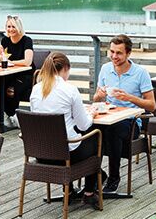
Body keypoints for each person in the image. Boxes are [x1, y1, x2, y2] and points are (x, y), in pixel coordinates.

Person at [30, 52, 103, 208]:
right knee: (95, 137)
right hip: (66, 155)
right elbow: (84, 125)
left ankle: (68, 192)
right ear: (65, 68)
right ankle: (89, 192)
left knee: (66, 134)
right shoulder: (69, 90)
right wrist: (91, 114)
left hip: (41, 154)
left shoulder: (35, 90)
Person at [93, 34, 156, 193]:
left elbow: (152, 105)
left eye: (119, 53)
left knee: (113, 130)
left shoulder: (140, 73)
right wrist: (99, 96)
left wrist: (129, 97)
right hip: (108, 117)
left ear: (128, 53)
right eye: (112, 52)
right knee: (89, 129)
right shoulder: (105, 69)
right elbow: (96, 98)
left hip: (132, 123)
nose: (114, 56)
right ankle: (96, 175)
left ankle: (114, 178)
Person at [0, 15, 34, 128]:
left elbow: (28, 61)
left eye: (13, 26)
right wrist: (0, 54)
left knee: (11, 89)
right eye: (8, 26)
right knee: (0, 86)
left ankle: (12, 115)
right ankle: (7, 117)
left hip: (25, 75)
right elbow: (2, 60)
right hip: (10, 74)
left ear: (19, 27)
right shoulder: (5, 40)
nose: (10, 29)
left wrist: (12, 63)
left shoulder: (26, 40)